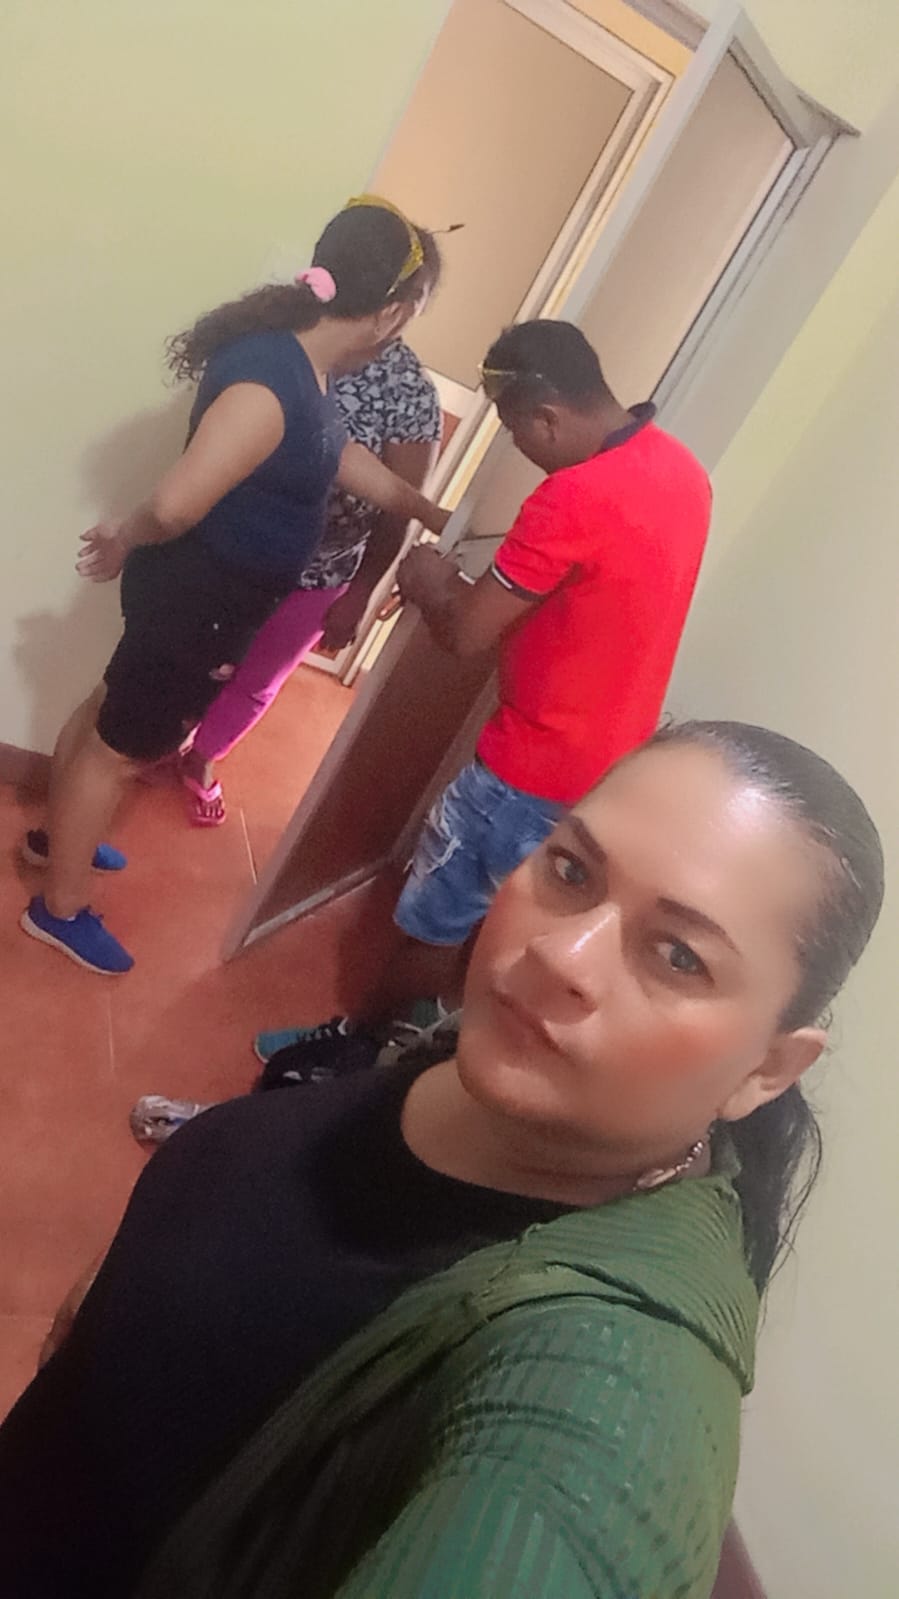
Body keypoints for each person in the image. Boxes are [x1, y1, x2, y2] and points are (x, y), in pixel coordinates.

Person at [0, 722, 883, 1598]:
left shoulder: (612, 1373)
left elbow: (571, 1508)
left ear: (768, 1068)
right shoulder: (463, 1059)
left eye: (678, 955)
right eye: (571, 871)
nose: (560, 953)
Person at [253, 317, 712, 1077]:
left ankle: (358, 1054)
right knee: (507, 922)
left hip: (525, 769)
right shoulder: (680, 470)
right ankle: (437, 1048)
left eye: (513, 429)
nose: (518, 447)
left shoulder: (571, 497)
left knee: (429, 927)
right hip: (606, 771)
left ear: (546, 417)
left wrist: (427, 578)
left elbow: (466, 633)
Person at [18, 197, 449, 975]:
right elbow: (175, 504)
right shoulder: (272, 381)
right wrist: (123, 537)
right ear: (389, 312)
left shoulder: (304, 365)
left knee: (110, 711)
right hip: (198, 603)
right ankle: (60, 907)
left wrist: (422, 508)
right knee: (121, 749)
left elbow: (331, 450)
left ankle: (60, 838)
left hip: (196, 598)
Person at [178, 236, 444, 826]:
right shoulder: (291, 341)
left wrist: (361, 592)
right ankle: (152, 741)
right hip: (234, 546)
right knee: (194, 657)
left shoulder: (410, 393)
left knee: (257, 678)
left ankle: (202, 756)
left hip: (323, 570)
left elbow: (396, 504)